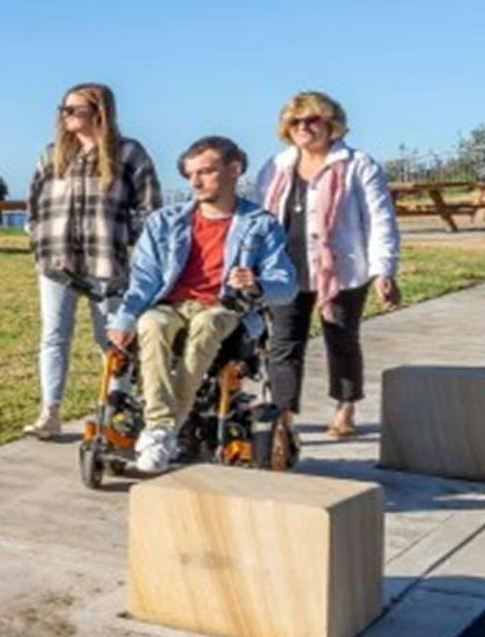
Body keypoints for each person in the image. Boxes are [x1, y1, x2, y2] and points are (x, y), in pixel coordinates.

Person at [109, 136, 299, 474]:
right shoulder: (164, 222)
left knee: (208, 324)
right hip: (171, 304)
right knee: (150, 324)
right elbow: (143, 279)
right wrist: (124, 318)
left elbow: (286, 285)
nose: (195, 181)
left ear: (234, 169)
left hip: (224, 307)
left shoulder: (261, 224)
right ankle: (162, 425)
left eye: (206, 172)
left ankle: (163, 429)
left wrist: (257, 285)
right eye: (190, 174)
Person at [251, 92, 400, 446]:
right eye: (295, 122)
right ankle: (284, 416)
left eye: (312, 120)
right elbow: (257, 219)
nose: (304, 127)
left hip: (342, 269)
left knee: (342, 339)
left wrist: (384, 271)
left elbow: (381, 221)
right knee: (284, 344)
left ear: (331, 125)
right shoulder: (275, 166)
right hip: (286, 270)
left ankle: (345, 406)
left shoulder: (358, 165)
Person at [24, 83, 162, 439]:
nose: (65, 116)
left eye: (74, 109)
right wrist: (38, 234)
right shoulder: (53, 154)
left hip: (106, 261)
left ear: (99, 111)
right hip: (57, 261)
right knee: (54, 335)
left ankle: (116, 412)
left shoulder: (128, 153)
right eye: (63, 109)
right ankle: (50, 411)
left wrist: (125, 236)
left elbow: (149, 207)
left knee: (113, 339)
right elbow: (34, 201)